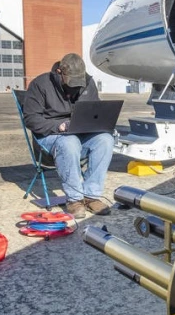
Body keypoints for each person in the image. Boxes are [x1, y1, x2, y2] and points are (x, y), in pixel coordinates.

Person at [22, 53, 114, 219]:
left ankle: (91, 196)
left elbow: (93, 112)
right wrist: (59, 125)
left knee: (105, 140)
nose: (76, 86)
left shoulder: (88, 82)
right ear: (59, 72)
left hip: (80, 132)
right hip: (49, 133)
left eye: (79, 81)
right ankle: (74, 199)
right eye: (72, 81)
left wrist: (98, 123)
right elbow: (31, 119)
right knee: (69, 142)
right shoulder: (40, 84)